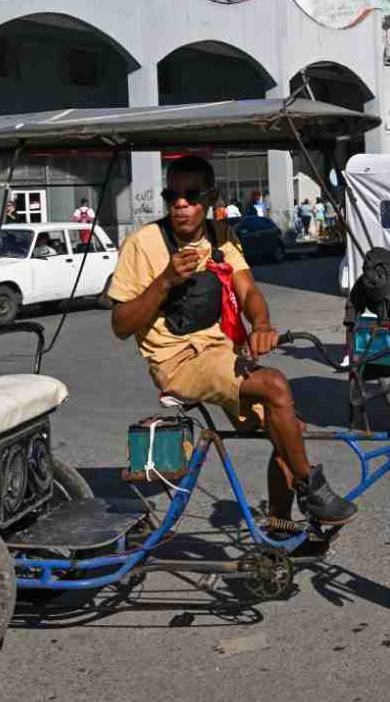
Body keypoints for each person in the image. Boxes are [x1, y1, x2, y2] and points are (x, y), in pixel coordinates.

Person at [107, 155, 357, 529]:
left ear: (211, 198)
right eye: (171, 195)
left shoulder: (221, 236)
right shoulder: (143, 245)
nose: (180, 204)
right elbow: (120, 324)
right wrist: (164, 282)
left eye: (191, 195)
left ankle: (278, 524)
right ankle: (311, 488)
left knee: (289, 434)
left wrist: (262, 323)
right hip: (179, 361)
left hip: (223, 354)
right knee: (275, 385)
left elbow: (249, 291)